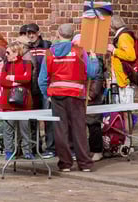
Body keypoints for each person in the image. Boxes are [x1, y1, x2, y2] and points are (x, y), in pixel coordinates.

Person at [38, 23, 101, 172]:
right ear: (72, 35)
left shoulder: (49, 53)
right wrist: (93, 58)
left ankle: (65, 164)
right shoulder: (79, 51)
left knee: (60, 130)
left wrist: (47, 94)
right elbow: (92, 73)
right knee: (79, 129)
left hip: (57, 95)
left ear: (58, 34)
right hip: (76, 95)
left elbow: (42, 79)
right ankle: (84, 164)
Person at [0, 41, 35, 160]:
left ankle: (27, 151)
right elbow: (2, 81)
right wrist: (17, 83)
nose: (6, 55)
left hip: (23, 102)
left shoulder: (26, 64)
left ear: (16, 53)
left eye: (8, 52)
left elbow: (27, 78)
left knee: (25, 129)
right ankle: (9, 151)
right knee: (8, 129)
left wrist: (12, 78)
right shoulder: (6, 65)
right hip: (8, 103)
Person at [22, 23, 54, 157]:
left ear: (38, 33)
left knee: (48, 119)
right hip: (32, 88)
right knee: (33, 119)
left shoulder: (47, 46)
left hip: (45, 87)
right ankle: (36, 147)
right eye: (28, 33)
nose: (31, 35)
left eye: (33, 33)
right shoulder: (25, 48)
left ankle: (51, 147)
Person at [75, 34, 105, 162]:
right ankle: (84, 151)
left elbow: (97, 78)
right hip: (80, 95)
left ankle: (96, 150)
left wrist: (91, 94)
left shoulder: (93, 58)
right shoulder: (77, 58)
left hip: (91, 97)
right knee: (80, 125)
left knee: (93, 124)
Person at [108, 14, 137, 104]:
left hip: (126, 79)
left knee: (126, 108)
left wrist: (114, 50)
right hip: (122, 79)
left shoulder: (123, 36)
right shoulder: (122, 35)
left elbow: (131, 56)